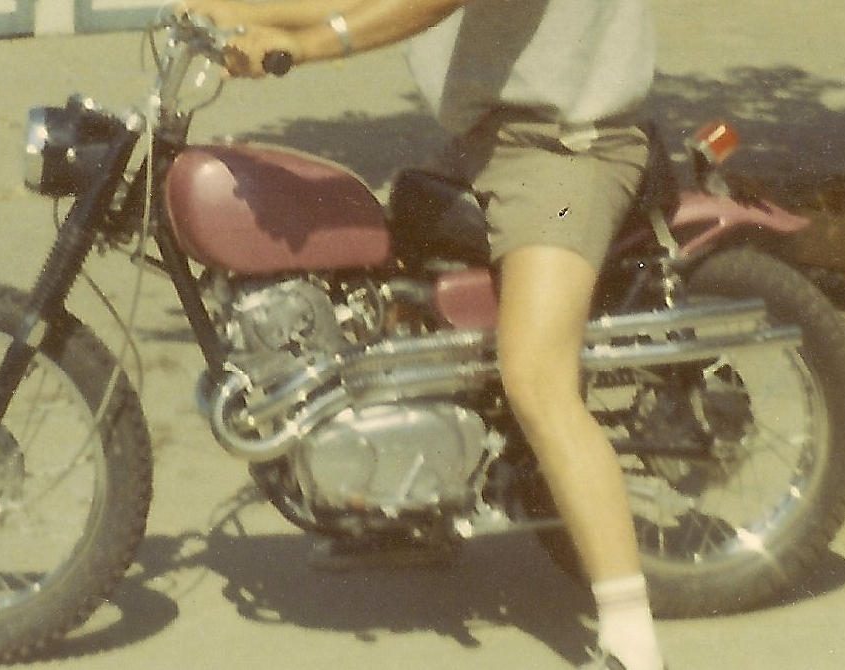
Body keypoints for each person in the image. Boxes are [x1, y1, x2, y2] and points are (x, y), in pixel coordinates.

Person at [182, 2, 665, 669]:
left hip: (566, 154)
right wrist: (236, 9)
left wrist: (311, 44)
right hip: (483, 144)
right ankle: (403, 506)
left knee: (536, 378)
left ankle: (630, 635)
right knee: (378, 304)